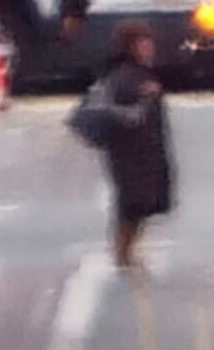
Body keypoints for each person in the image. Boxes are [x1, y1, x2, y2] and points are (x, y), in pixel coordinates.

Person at [73, 21, 175, 282]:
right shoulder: (124, 76)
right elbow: (122, 111)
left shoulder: (140, 74)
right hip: (129, 152)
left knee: (141, 202)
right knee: (132, 202)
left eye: (148, 42)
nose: (148, 48)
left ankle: (127, 252)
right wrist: (142, 97)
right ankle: (122, 254)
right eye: (141, 43)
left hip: (144, 149)